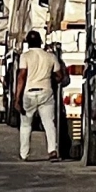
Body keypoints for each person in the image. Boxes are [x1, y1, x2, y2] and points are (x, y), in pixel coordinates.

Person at [18, 31, 65, 162]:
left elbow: (22, 77)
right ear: (40, 41)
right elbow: (60, 76)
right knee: (49, 123)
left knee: (26, 125)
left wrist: (17, 98)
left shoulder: (25, 57)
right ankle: (52, 150)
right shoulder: (50, 57)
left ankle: (24, 153)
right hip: (46, 93)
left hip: (29, 93)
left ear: (28, 43)